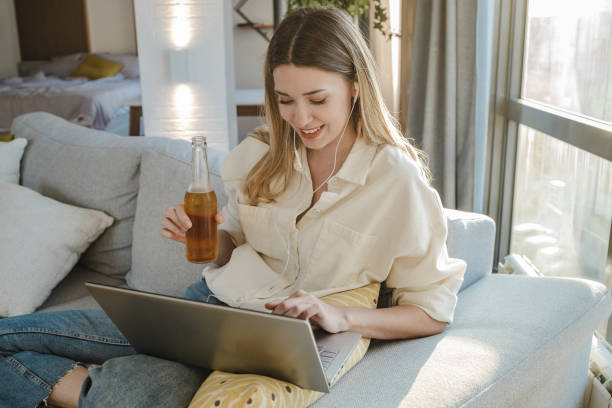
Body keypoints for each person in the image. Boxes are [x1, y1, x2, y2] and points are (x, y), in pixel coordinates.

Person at [0, 7, 465, 408]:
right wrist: (202, 241)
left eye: (317, 100)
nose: (300, 119)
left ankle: (74, 391)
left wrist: (342, 316)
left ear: (355, 88)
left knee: (148, 395)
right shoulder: (263, 155)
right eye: (285, 101)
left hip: (278, 344)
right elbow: (229, 247)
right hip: (208, 310)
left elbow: (432, 311)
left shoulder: (395, 181)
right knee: (8, 336)